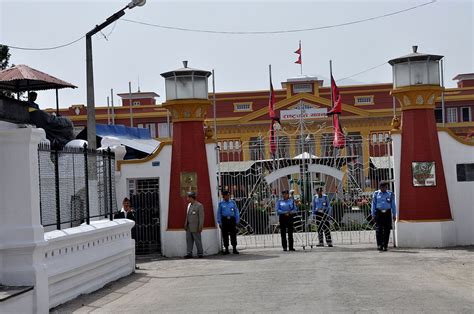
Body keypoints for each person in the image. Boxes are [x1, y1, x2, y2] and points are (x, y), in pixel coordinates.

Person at [371, 181, 397, 252]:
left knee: (387, 230)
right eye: (382, 187)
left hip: (387, 213)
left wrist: (394, 215)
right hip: (379, 213)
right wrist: (373, 214)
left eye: (385, 187)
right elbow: (373, 204)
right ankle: (379, 245)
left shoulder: (390, 194)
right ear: (380, 187)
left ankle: (385, 245)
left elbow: (393, 205)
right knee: (378, 230)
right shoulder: (376, 194)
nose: (384, 188)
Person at [217, 190, 240, 255]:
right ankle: (226, 249)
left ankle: (234, 248)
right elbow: (219, 213)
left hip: (232, 220)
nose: (228, 196)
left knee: (233, 234)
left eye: (228, 195)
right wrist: (219, 222)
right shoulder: (221, 204)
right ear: (223, 196)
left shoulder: (233, 202)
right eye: (226, 195)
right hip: (224, 220)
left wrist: (237, 220)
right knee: (225, 235)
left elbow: (236, 211)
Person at [184, 191, 204, 258]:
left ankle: (200, 253)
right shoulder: (189, 205)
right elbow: (187, 215)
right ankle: (189, 253)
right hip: (189, 227)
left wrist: (200, 227)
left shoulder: (199, 205)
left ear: (191, 198)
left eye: (188, 197)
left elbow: (201, 217)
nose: (187, 199)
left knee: (198, 241)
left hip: (196, 227)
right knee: (189, 240)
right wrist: (185, 224)